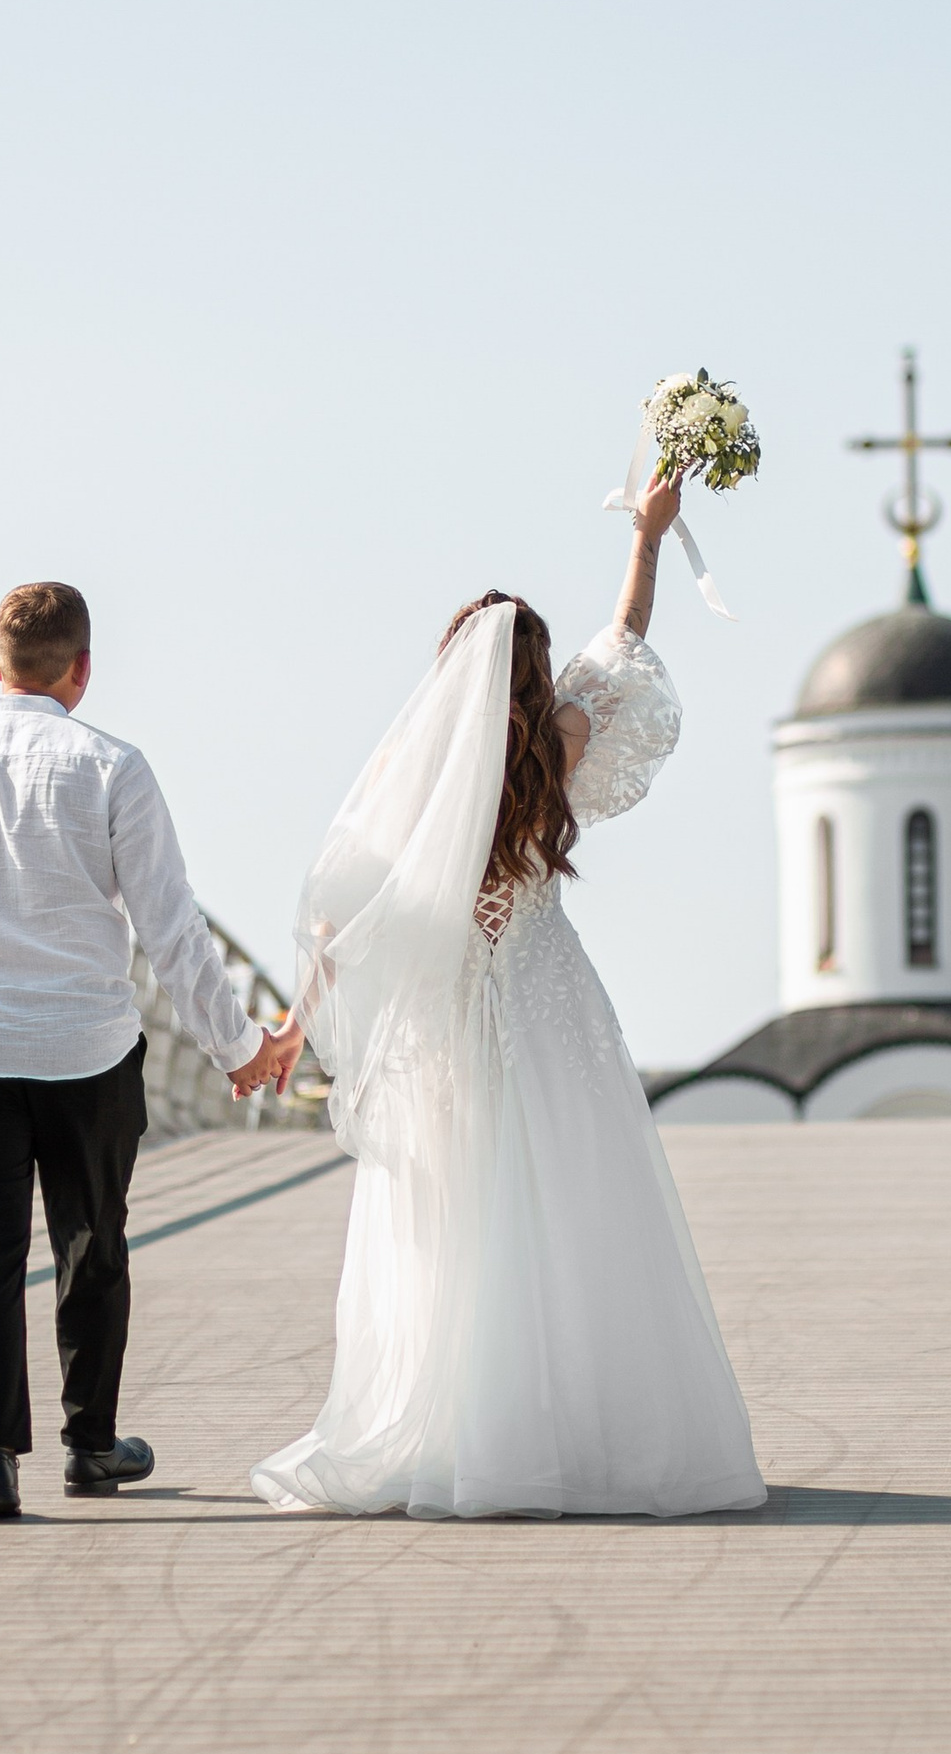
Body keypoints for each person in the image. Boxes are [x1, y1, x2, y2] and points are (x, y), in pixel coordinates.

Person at [250, 473, 765, 1521]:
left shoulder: (414, 780)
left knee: (454, 1219)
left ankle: (458, 1431)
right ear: (534, 677)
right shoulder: (557, 745)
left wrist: (295, 1032)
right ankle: (578, 1437)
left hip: (449, 1024)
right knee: (571, 1213)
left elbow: (339, 924)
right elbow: (623, 639)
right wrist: (647, 538)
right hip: (547, 1008)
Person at [0, 580, 291, 1522]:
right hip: (85, 1052)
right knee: (91, 1242)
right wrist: (238, 1046)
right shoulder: (115, 768)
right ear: (82, 670)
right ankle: (90, 1445)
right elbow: (170, 927)